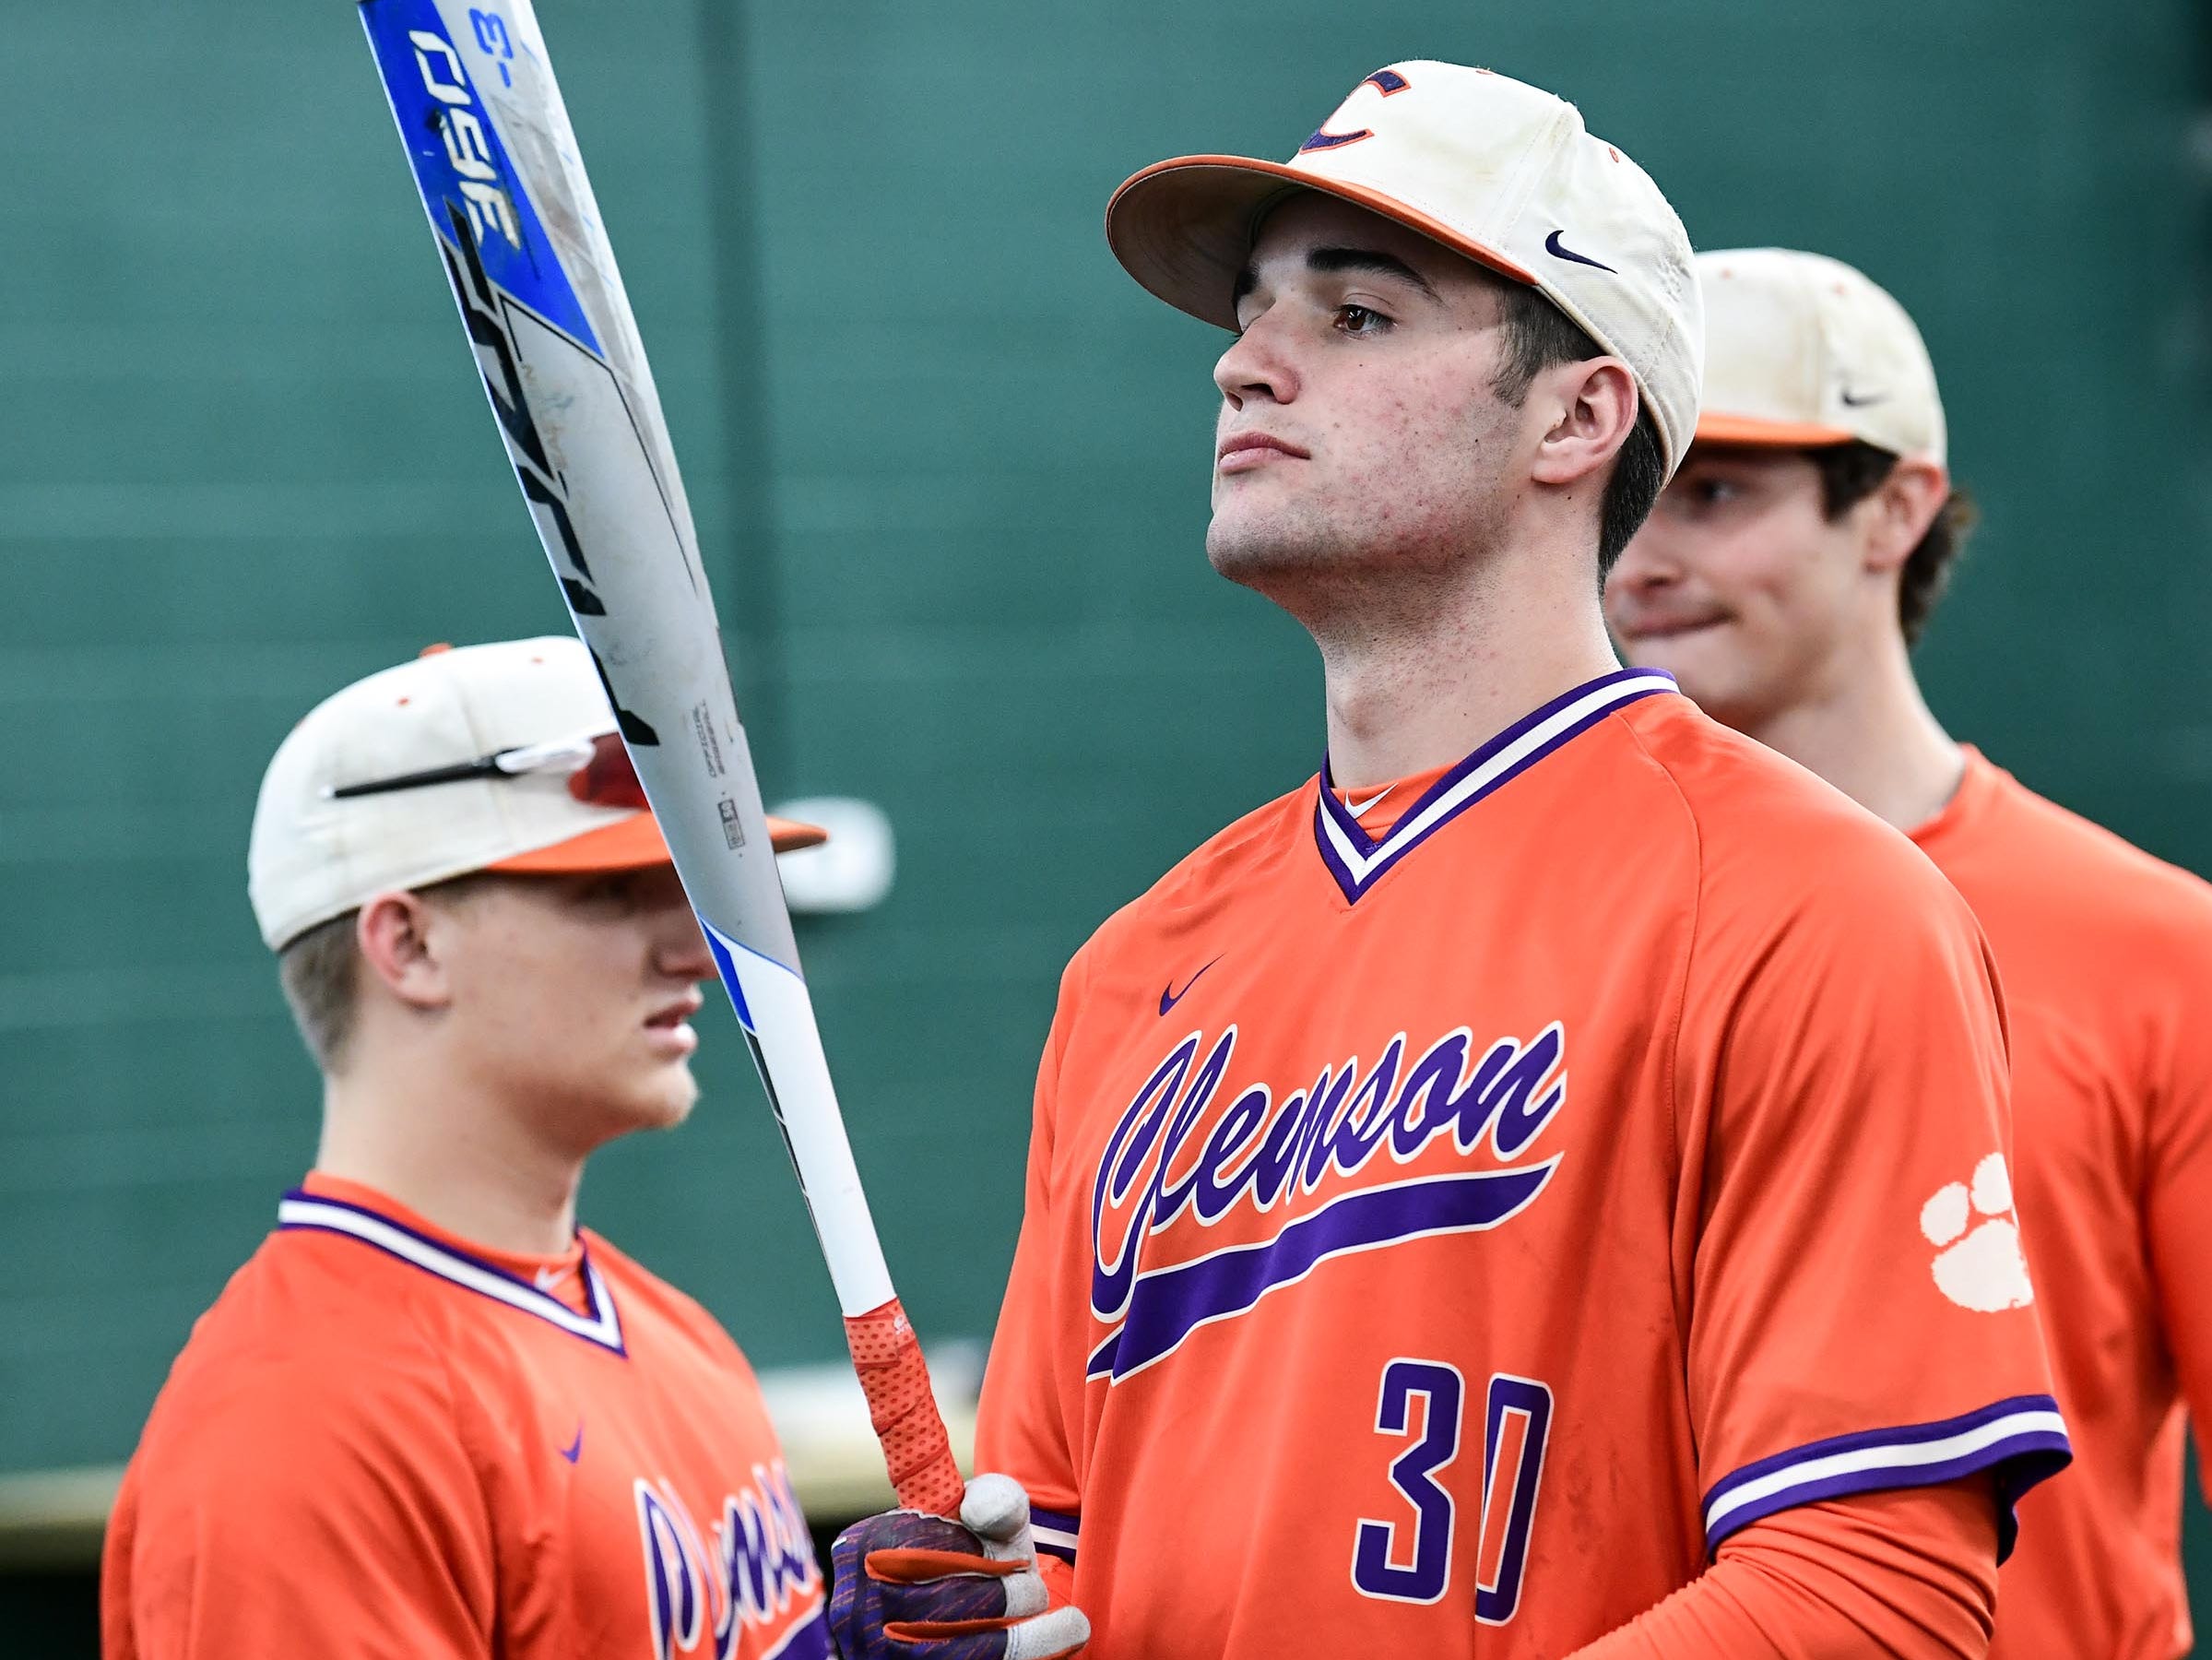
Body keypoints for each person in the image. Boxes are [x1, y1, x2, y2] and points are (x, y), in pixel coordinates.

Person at [826, 62, 2070, 1660]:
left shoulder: (1804, 908)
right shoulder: (1134, 968)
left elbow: (1871, 1592)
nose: (1245, 370)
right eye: (1245, 317)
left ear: (1575, 413)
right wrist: (957, 1637)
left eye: (1354, 317)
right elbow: (1062, 1561)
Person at [1606, 247, 2212, 1659]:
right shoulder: (1526, 928)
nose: (1641, 560)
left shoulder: (2155, 946)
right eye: (1623, 500)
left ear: (1893, 507)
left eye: (1712, 494)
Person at [102, 636, 836, 1660]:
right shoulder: (300, 1427)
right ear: (408, 946)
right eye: (610, 893)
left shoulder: (675, 1334)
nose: (694, 949)